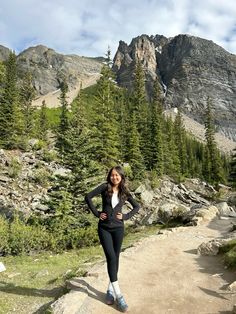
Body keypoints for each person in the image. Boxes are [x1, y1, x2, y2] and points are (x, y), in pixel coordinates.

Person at [85, 165, 140, 312]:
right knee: (111, 258)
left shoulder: (124, 192)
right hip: (104, 228)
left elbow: (136, 207)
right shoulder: (104, 187)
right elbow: (88, 196)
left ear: (121, 177)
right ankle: (119, 295)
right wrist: (97, 213)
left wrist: (126, 216)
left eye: (117, 175)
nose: (114, 177)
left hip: (118, 229)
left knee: (116, 257)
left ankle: (110, 290)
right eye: (112, 175)